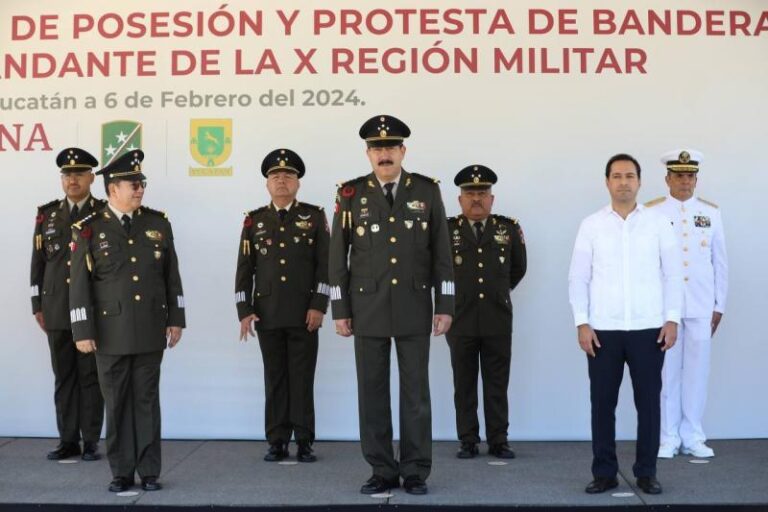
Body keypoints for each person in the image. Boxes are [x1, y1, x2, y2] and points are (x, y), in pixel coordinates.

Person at [328, 115, 454, 495]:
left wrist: (445, 303)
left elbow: (442, 253)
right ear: (368, 154)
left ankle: (415, 470)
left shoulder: (427, 191)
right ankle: (381, 468)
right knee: (372, 392)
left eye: (391, 148)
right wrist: (340, 309)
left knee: (416, 394)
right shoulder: (350, 194)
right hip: (367, 309)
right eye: (377, 148)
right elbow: (338, 258)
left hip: (415, 305)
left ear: (403, 151)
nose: (384, 155)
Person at [69, 150, 185, 493]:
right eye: (132, 184)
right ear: (111, 188)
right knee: (117, 402)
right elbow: (79, 286)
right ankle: (121, 471)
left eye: (141, 182)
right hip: (109, 333)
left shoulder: (157, 223)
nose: (139, 188)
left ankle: (149, 471)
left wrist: (176, 318)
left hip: (150, 328)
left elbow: (171, 277)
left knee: (147, 401)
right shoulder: (89, 230)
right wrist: (82, 329)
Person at [568, 153, 682, 495]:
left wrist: (672, 318)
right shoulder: (591, 224)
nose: (623, 182)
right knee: (602, 403)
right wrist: (582, 323)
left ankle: (646, 472)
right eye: (616, 176)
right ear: (607, 182)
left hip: (649, 328)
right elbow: (578, 277)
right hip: (603, 330)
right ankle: (604, 472)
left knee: (649, 403)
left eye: (630, 176)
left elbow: (673, 274)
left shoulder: (659, 223)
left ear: (640, 181)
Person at [235, 148, 330, 463]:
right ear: (267, 184)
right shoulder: (254, 221)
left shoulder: (314, 217)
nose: (281, 181)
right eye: (275, 176)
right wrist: (244, 310)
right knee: (274, 378)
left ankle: (304, 441)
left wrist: (319, 305)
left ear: (298, 183)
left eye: (288, 175)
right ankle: (277, 440)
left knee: (302, 378)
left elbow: (324, 267)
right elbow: (244, 269)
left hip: (305, 313)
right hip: (268, 314)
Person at [645, 149, 728, 459]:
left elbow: (720, 262)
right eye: (678, 175)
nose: (684, 181)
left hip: (702, 304)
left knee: (697, 372)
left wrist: (719, 304)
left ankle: (693, 435)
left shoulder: (712, 213)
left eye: (689, 176)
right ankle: (667, 437)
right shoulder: (652, 212)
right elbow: (648, 263)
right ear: (667, 179)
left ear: (696, 179)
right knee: (667, 374)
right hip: (666, 308)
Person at [445, 165, 526, 459]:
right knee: (463, 384)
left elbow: (518, 268)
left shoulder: (508, 228)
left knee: (496, 383)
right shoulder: (447, 230)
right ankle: (467, 440)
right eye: (470, 194)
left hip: (497, 318)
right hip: (460, 318)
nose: (476, 199)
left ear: (492, 198)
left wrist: (497, 292)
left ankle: (498, 439)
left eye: (482, 193)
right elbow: (437, 270)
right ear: (460, 199)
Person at [31, 147, 105, 461]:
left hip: (89, 311)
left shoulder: (102, 213)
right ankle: (68, 440)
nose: (72, 180)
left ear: (91, 178)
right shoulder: (47, 215)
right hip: (57, 308)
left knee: (90, 376)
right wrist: (37, 303)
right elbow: (38, 263)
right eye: (67, 175)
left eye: (79, 174)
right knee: (64, 377)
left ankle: (90, 441)